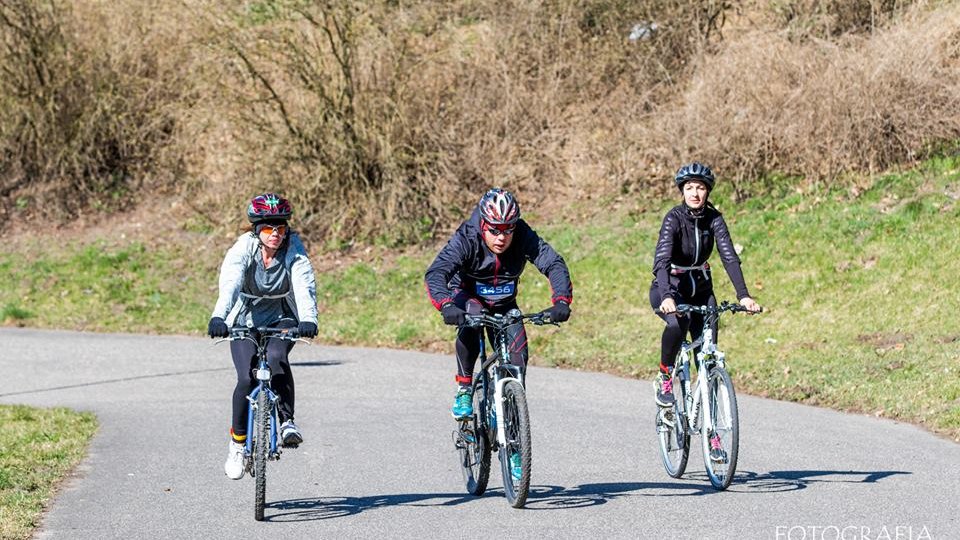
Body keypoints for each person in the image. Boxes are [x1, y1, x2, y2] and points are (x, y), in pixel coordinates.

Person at [425, 187, 573, 426]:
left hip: (504, 303)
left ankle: (514, 433)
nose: (501, 238)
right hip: (467, 295)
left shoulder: (523, 235)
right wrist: (446, 305)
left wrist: (561, 301)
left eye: (508, 230)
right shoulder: (467, 236)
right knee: (473, 318)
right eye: (494, 230)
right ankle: (464, 388)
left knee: (517, 357)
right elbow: (437, 272)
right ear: (483, 224)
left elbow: (553, 263)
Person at [207, 193, 318, 480]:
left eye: (281, 228)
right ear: (257, 230)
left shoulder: (293, 248)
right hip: (244, 318)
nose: (276, 234)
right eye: (269, 229)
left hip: (281, 316)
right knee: (247, 377)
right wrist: (219, 316)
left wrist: (308, 319)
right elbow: (230, 283)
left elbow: (304, 284)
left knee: (277, 358)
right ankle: (238, 444)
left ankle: (287, 423)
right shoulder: (243, 248)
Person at [650, 162, 761, 417]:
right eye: (689, 188)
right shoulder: (674, 218)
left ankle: (713, 434)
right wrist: (666, 296)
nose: (695, 193)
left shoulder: (715, 219)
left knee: (707, 357)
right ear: (683, 191)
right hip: (670, 288)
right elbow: (662, 261)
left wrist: (743, 295)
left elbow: (729, 257)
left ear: (707, 192)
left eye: (700, 188)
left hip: (701, 289)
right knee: (678, 325)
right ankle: (665, 376)